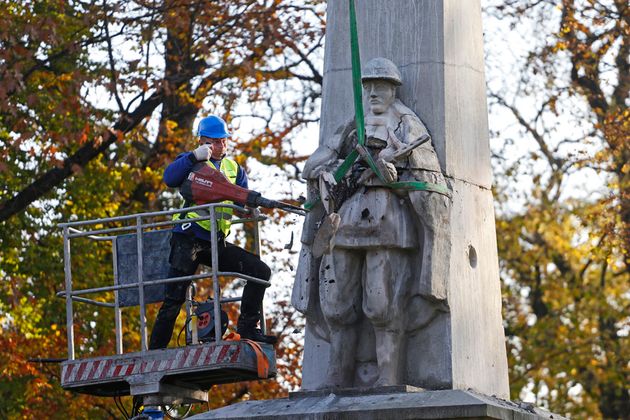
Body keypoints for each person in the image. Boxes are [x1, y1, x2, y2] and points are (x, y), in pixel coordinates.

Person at [294, 58, 451, 387]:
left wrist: (395, 172)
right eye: (368, 86)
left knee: (383, 306)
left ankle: (388, 379)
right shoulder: (355, 122)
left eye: (380, 86)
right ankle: (336, 379)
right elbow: (316, 161)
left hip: (388, 222)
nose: (373, 92)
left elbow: (426, 174)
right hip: (346, 219)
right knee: (337, 306)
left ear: (394, 90)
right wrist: (328, 168)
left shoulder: (407, 124)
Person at [149, 115, 277, 349]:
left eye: (223, 141)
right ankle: (155, 351)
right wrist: (191, 157)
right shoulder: (193, 163)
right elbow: (170, 178)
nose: (220, 146)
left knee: (259, 271)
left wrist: (247, 210)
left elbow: (240, 200)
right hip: (187, 237)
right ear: (202, 142)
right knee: (174, 296)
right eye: (214, 141)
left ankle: (248, 327)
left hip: (215, 242)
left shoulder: (233, 169)